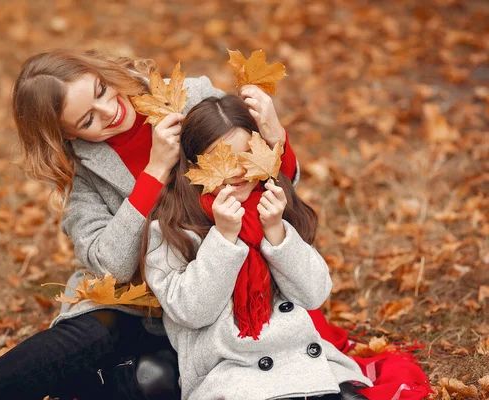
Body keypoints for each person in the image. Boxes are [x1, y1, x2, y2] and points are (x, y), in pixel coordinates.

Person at [0, 49, 301, 400]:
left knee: (156, 378)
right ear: (67, 135)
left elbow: (280, 193)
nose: (110, 111)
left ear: (104, 72)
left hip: (214, 289)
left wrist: (275, 137)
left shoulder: (192, 99)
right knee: (91, 337)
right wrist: (155, 171)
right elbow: (109, 266)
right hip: (141, 301)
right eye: (87, 120)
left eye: (102, 90)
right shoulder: (82, 175)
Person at [141, 94, 374, 399]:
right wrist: (223, 239)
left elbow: (314, 294)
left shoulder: (273, 204)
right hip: (229, 371)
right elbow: (193, 312)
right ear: (193, 165)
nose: (236, 172)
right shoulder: (172, 230)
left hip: (300, 361)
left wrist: (276, 231)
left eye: (246, 156)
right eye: (218, 159)